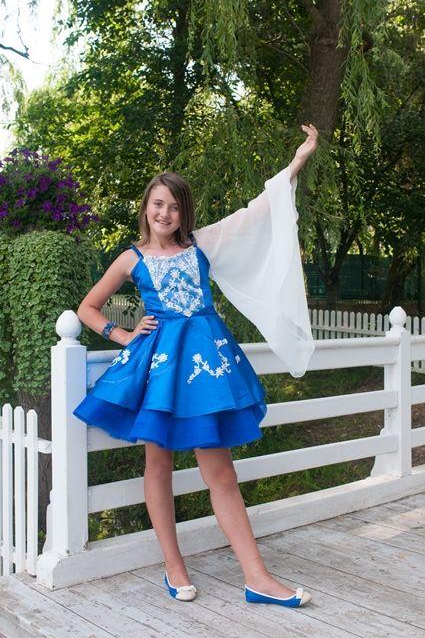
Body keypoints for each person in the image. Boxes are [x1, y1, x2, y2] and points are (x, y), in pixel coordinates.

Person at [73, 123, 318, 608]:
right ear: (146, 207)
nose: (165, 213)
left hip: (206, 367)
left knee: (220, 471)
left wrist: (298, 160)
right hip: (162, 368)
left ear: (184, 212)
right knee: (158, 463)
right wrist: (122, 334)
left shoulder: (201, 245)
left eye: (174, 206)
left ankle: (257, 577)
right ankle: (174, 565)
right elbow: (87, 307)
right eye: (158, 204)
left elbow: (257, 213)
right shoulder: (130, 259)